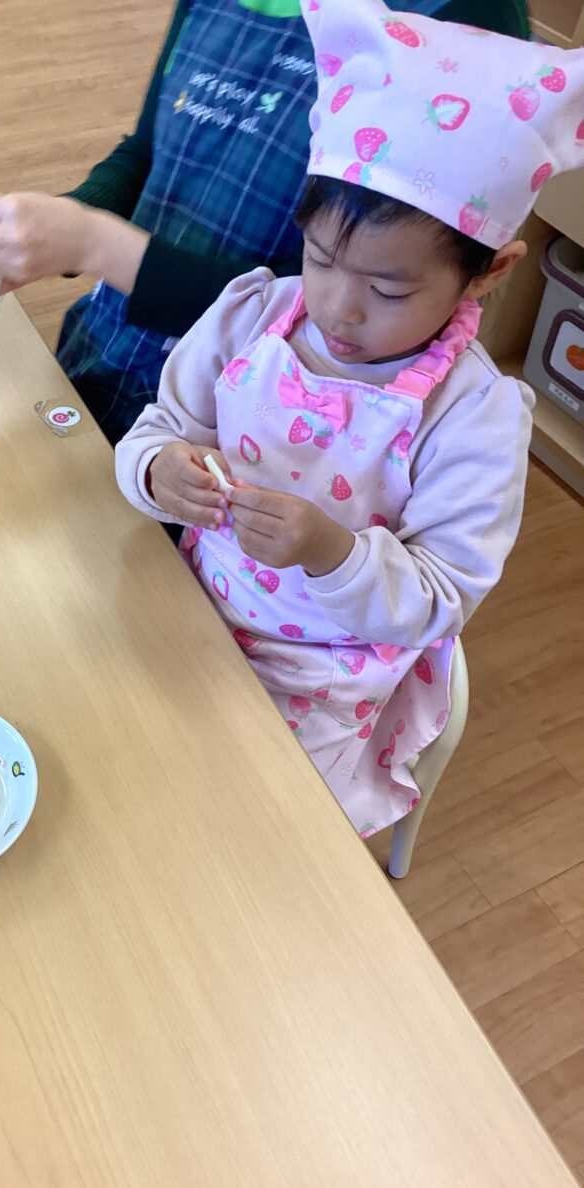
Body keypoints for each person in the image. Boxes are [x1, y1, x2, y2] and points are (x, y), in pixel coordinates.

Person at [114, 0, 584, 838]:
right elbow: (159, 427)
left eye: (389, 289)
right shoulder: (253, 313)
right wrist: (156, 471)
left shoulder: (472, 416)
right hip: (189, 606)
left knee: (248, 838)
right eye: (322, 259)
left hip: (321, 683)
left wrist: (332, 552)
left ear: (489, 273)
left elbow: (440, 597)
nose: (337, 307)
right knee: (118, 774)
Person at [0, 0, 530, 445]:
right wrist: (53, 230)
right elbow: (148, 152)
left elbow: (318, 305)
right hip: (106, 355)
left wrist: (97, 245)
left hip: (247, 429)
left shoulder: (462, 18)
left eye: (388, 291)